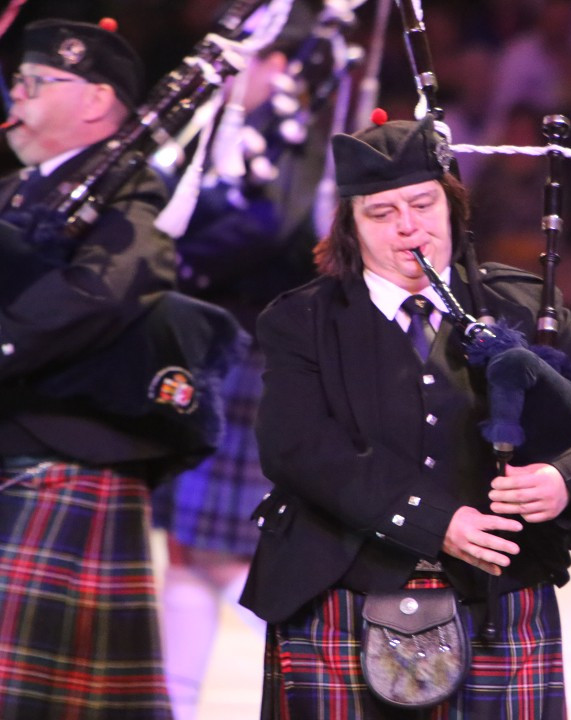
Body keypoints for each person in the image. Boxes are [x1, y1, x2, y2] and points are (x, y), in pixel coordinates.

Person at [239, 114, 571, 718]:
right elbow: (298, 448)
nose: (407, 226)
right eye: (381, 213)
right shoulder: (301, 321)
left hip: (498, 599)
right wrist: (436, 522)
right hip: (338, 588)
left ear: (452, 209)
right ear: (351, 229)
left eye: (422, 204)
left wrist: (565, 478)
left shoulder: (520, 304)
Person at [149, 4, 329, 717]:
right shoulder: (219, 137)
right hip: (206, 351)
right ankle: (177, 704)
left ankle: (331, 670)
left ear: (280, 65)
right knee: (195, 550)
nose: (225, 74)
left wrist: (174, 252)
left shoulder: (299, 144)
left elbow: (274, 232)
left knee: (222, 553)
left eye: (243, 60)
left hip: (257, 357)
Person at [0, 18, 176, 719]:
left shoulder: (133, 194)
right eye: (14, 80)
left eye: (36, 81)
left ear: (97, 101)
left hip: (65, 464)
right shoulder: (14, 190)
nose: (16, 93)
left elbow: (102, 291)